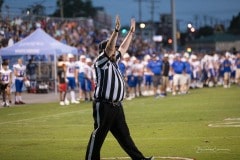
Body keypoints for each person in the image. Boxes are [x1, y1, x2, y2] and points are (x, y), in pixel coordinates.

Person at [85, 15, 154, 160]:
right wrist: (116, 31)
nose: (115, 50)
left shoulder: (114, 61)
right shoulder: (100, 62)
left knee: (124, 136)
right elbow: (110, 48)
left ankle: (140, 159)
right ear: (105, 51)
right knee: (98, 134)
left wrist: (131, 33)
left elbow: (123, 48)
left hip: (116, 106)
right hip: (104, 105)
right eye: (112, 49)